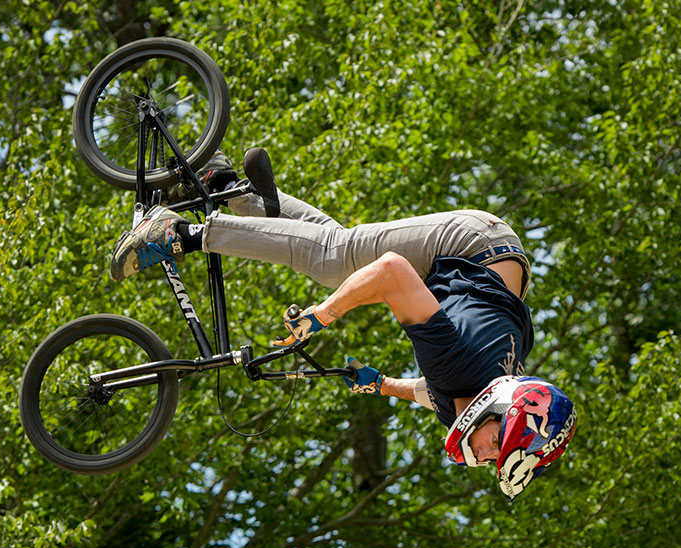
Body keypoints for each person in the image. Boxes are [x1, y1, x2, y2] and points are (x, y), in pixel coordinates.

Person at [110, 148, 577, 499]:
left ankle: (225, 186)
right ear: (500, 410)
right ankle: (180, 233)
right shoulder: (462, 367)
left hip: (485, 262)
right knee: (340, 264)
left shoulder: (465, 397)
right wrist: (322, 315)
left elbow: (427, 390)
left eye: (497, 459)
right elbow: (392, 271)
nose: (488, 455)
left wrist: (383, 385)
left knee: (335, 250)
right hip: (473, 244)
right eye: (498, 444)